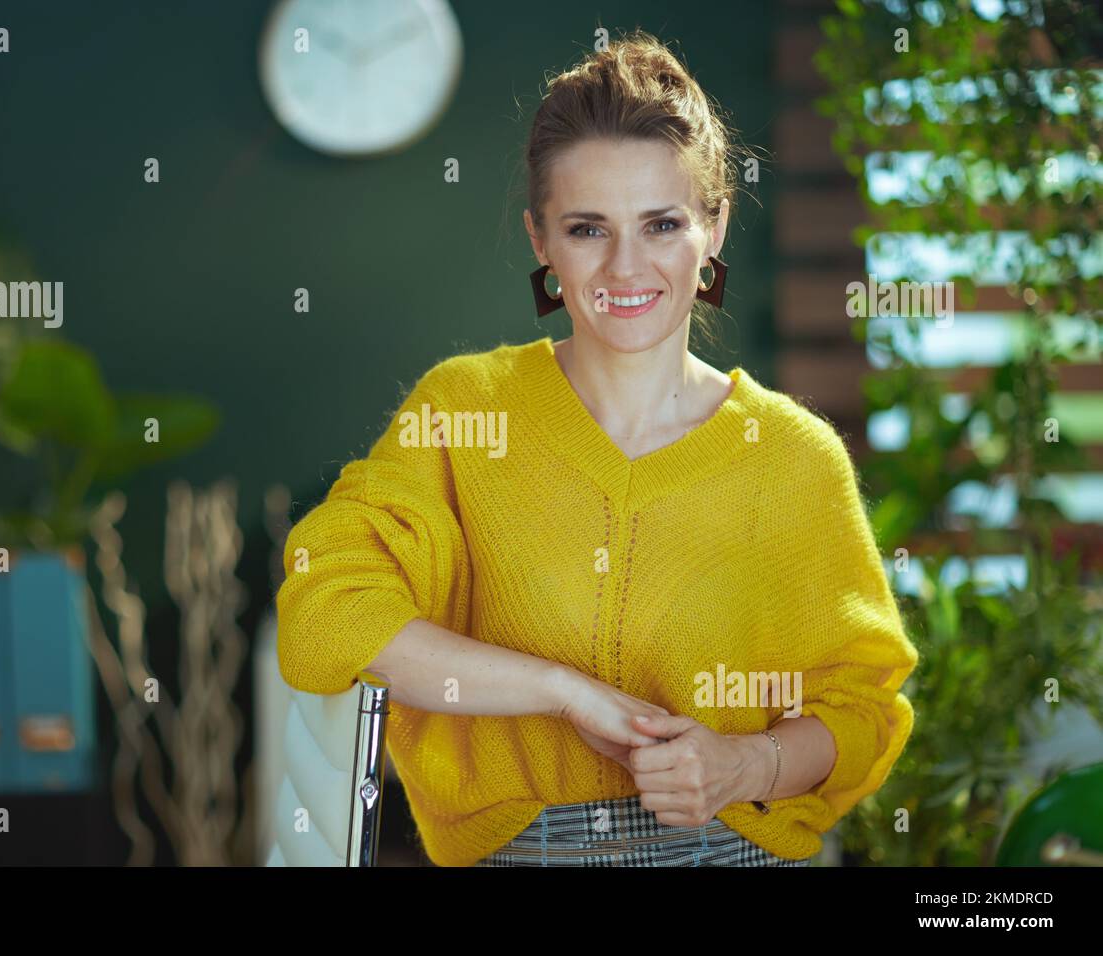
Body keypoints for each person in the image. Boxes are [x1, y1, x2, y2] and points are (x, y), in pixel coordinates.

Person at [276, 30, 918, 867]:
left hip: (731, 850)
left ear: (714, 228)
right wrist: (562, 693)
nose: (626, 265)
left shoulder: (794, 458)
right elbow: (326, 612)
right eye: (587, 229)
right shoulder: (465, 412)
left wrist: (743, 765)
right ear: (540, 238)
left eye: (662, 223)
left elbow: (862, 710)